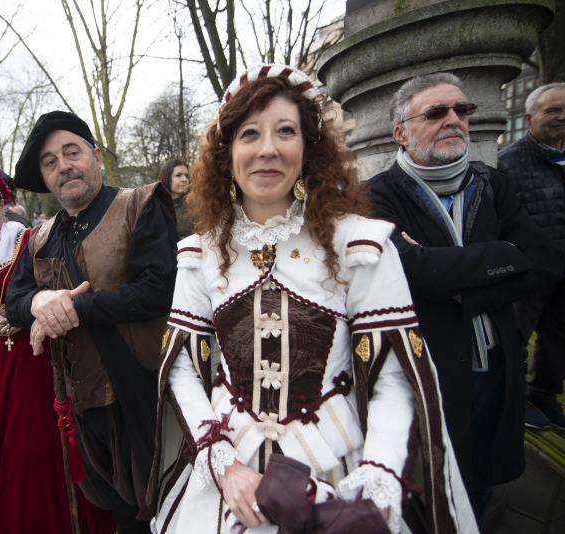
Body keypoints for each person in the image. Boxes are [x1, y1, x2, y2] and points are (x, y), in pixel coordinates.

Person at [149, 64, 475, 534]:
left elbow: (394, 380)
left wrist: (378, 483)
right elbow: (181, 367)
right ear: (227, 153)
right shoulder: (198, 254)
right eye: (249, 134)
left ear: (308, 148)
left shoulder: (361, 246)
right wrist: (221, 460)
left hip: (335, 466)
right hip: (229, 470)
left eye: (286, 131)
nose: (267, 150)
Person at [367, 72, 563, 524]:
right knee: (428, 470)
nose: (453, 120)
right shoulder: (377, 196)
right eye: (436, 113)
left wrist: (458, 286)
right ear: (401, 132)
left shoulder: (493, 184)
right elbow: (410, 272)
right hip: (427, 363)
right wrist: (502, 257)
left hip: (497, 359)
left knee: (481, 470)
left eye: (462, 110)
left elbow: (545, 259)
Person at [6, 110, 177, 533]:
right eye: (50, 162)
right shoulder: (39, 236)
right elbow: (13, 303)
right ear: (46, 179)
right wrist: (41, 300)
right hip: (81, 400)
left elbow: (159, 291)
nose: (63, 166)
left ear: (96, 156)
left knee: (169, 505)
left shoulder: (142, 204)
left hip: (142, 390)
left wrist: (73, 309)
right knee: (119, 511)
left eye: (72, 152)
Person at [0, 161, 111, 534]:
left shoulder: (29, 239)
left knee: (35, 442)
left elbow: (51, 285)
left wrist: (27, 312)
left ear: (2, 201)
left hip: (33, 356)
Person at [498, 82, 565, 432]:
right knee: (514, 338)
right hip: (529, 272)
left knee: (562, 338)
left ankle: (543, 395)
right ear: (529, 118)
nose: (564, 117)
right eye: (554, 110)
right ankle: (514, 401)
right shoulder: (509, 163)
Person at [159, 159, 193, 239]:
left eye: (186, 176)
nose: (184, 180)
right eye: (178, 175)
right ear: (167, 177)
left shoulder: (194, 206)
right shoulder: (154, 207)